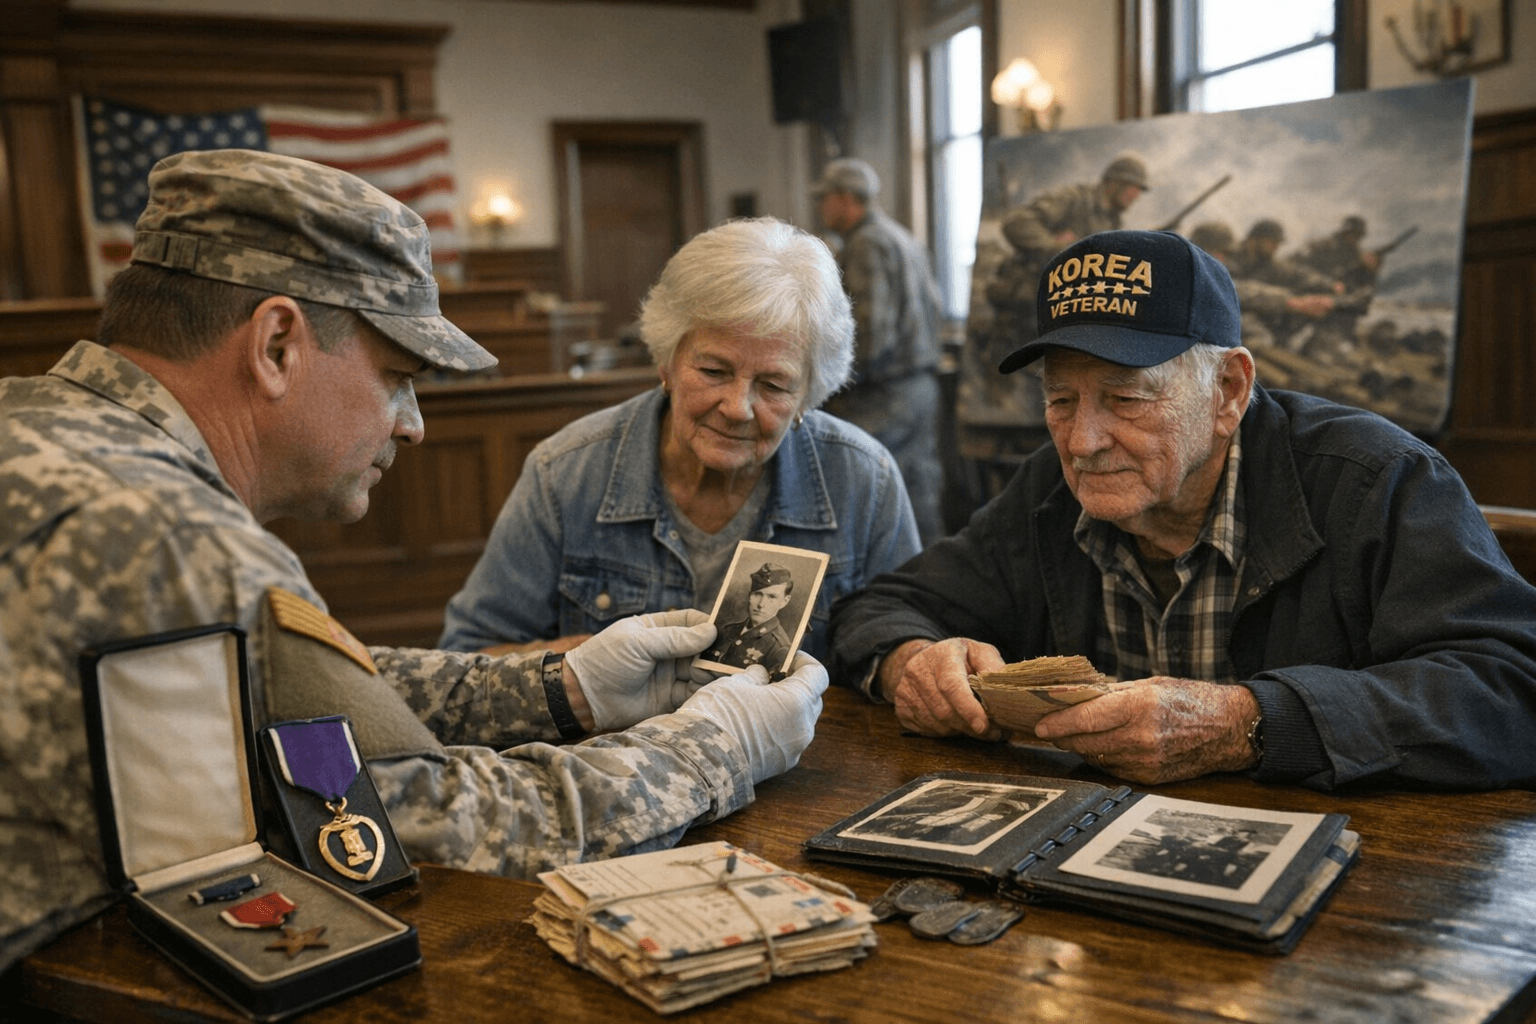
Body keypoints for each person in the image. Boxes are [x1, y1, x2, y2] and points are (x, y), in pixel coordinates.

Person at [0, 150, 829, 973]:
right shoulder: (178, 540)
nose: (413, 423)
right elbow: (429, 826)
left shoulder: (39, 427)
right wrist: (709, 747)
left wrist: (558, 688)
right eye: (398, 375)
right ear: (277, 344)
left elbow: (284, 701)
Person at [828, 228, 1536, 792]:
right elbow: (880, 607)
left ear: (1228, 390)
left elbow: (1510, 688)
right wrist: (912, 662)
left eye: (1126, 398)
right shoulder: (1048, 488)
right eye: (1059, 399)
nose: (1083, 441)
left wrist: (1248, 723)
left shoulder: (1373, 481)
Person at [439, 217, 922, 660]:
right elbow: (467, 656)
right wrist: (584, 664)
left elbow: (902, 642)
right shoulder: (566, 473)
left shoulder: (864, 480)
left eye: (774, 385)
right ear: (666, 362)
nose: (737, 408)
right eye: (713, 371)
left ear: (807, 396)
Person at [813, 157, 946, 545]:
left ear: (846, 198)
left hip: (882, 396)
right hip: (920, 386)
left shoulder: (866, 243)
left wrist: (832, 386)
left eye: (826, 198)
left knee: (868, 494)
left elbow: (870, 331)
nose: (822, 208)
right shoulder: (902, 236)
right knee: (919, 491)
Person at [706, 563, 795, 671]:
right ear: (749, 595)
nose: (761, 604)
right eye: (757, 594)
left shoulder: (779, 648)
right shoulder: (727, 630)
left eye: (772, 596)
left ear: (784, 601)